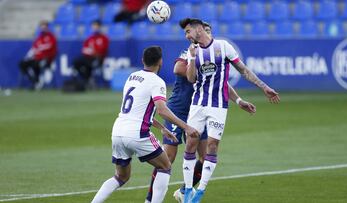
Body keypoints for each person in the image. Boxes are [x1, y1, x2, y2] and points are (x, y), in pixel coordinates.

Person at [144, 22, 257, 203]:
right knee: (168, 157)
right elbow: (177, 69)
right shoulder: (189, 53)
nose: (207, 33)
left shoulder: (212, 54)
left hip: (201, 111)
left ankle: (183, 192)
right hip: (179, 110)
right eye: (205, 30)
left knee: (205, 158)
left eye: (209, 30)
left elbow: (223, 85)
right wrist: (194, 62)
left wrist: (238, 100)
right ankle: (150, 199)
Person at [179, 18, 280, 203]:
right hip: (198, 105)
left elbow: (243, 70)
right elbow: (191, 79)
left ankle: (199, 192)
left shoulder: (223, 47)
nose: (186, 36)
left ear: (199, 29)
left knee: (212, 146)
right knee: (190, 144)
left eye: (188, 31)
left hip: (218, 105)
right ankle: (186, 192)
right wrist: (192, 57)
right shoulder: (191, 52)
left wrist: (263, 87)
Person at [91, 46, 200, 203]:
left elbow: (138, 111)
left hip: (118, 130)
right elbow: (162, 110)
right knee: (165, 166)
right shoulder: (157, 82)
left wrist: (162, 128)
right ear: (160, 62)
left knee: (120, 177)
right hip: (137, 133)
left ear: (143, 60)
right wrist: (186, 127)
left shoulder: (132, 77)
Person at [19, 20, 57, 90]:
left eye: (44, 26)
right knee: (22, 64)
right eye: (41, 27)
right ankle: (34, 81)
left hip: (47, 58)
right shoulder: (39, 38)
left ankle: (38, 82)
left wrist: (40, 48)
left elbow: (50, 47)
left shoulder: (51, 36)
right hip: (37, 58)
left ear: (47, 27)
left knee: (36, 65)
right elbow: (34, 49)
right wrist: (28, 56)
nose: (43, 28)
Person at [72, 20, 109, 86]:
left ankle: (88, 80)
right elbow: (84, 49)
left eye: (96, 26)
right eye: (93, 26)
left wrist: (94, 52)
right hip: (88, 57)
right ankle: (87, 79)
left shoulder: (104, 38)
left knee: (90, 65)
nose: (95, 28)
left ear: (99, 27)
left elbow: (102, 50)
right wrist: (91, 51)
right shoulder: (90, 38)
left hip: (98, 58)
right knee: (76, 62)